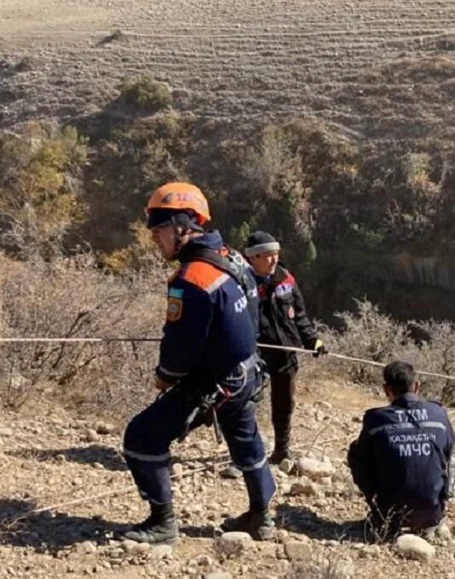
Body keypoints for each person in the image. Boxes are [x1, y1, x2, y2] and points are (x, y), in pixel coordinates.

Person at [120, 182, 277, 544]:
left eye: (158, 231)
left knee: (141, 438)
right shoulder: (234, 258)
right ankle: (262, 517)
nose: (155, 239)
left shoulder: (190, 279)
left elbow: (180, 348)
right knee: (246, 442)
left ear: (181, 227)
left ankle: (163, 523)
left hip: (212, 383)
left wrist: (165, 376)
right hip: (247, 373)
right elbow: (248, 315)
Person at [346, 361, 455, 540]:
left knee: (356, 452)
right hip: (432, 512)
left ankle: (381, 514)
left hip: (390, 514)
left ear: (386, 389)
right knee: (447, 457)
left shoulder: (375, 418)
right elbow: (449, 449)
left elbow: (363, 459)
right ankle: (434, 515)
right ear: (417, 386)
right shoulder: (439, 413)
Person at [243, 230, 325, 465]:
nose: (273, 260)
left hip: (285, 351)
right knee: (246, 402)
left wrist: (312, 340)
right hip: (253, 353)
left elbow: (299, 315)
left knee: (284, 402)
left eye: (276, 254)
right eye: (267, 255)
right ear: (253, 258)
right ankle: (245, 452)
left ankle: (281, 449)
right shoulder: (242, 283)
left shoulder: (285, 278)